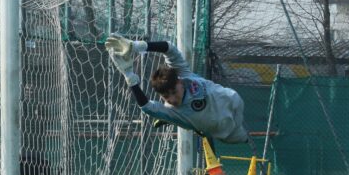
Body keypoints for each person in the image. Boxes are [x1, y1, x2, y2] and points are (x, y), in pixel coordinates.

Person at [105, 33, 249, 145]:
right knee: (242, 138)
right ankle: (169, 120)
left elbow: (170, 48)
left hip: (234, 101)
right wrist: (129, 76)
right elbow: (146, 107)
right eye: (166, 97)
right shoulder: (172, 110)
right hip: (228, 132)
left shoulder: (184, 75)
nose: (173, 99)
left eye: (174, 92)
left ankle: (168, 120)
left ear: (179, 82)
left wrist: (136, 46)